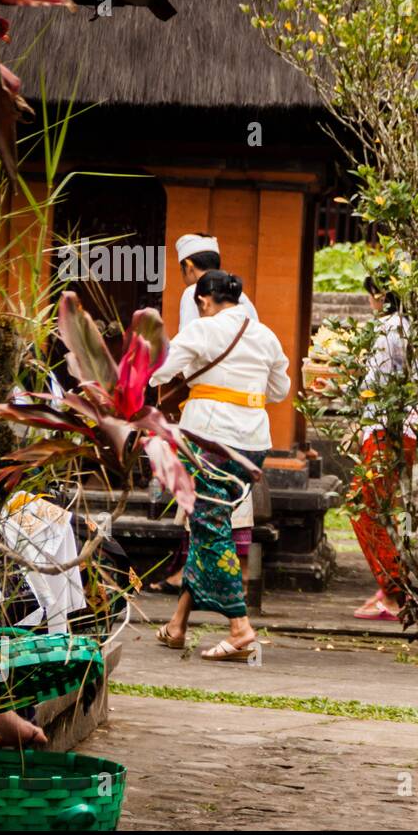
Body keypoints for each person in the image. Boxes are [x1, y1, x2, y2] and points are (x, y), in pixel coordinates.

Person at [148, 270, 290, 661]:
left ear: (204, 301)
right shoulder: (265, 335)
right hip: (254, 446)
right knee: (209, 526)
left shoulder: (202, 330)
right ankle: (177, 624)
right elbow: (280, 389)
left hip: (208, 441)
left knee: (210, 528)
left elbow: (158, 371)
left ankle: (240, 628)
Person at [148, 233, 261, 594]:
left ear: (189, 267)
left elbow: (182, 353)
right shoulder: (245, 302)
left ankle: (193, 574)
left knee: (199, 490)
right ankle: (234, 573)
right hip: (248, 415)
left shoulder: (194, 295)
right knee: (236, 496)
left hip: (207, 411)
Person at [350, 275, 416, 621]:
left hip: (386, 428)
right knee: (391, 509)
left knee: (364, 506)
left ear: (379, 294)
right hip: (408, 430)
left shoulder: (389, 327)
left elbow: (375, 383)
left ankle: (394, 591)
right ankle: (394, 584)